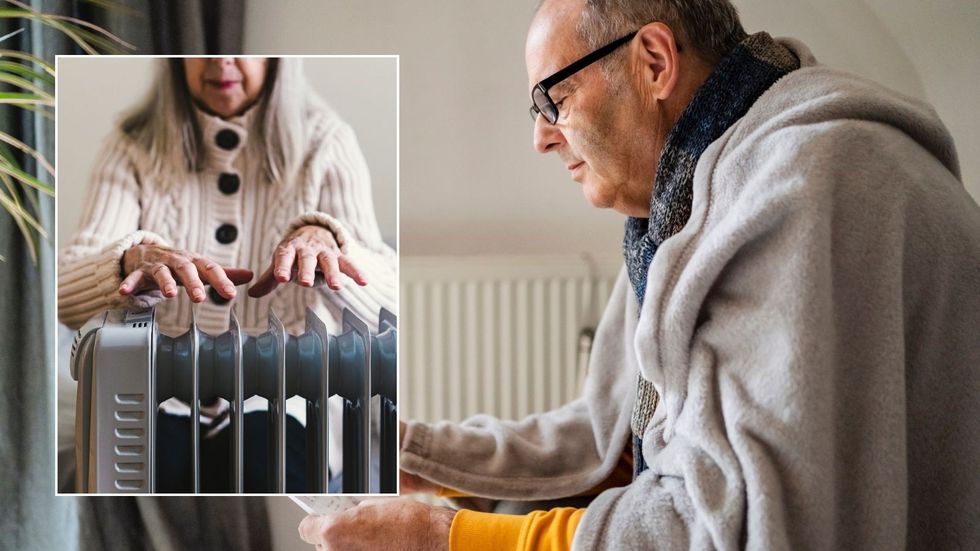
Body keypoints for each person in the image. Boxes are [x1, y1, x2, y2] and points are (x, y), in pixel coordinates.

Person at [299, 0, 980, 549]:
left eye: (552, 98)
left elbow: (744, 530)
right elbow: (610, 440)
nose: (540, 136)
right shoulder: (685, 199)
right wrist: (411, 452)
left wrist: (451, 537)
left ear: (653, 61)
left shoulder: (804, 188)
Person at [58, 57, 397, 493]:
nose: (222, 60)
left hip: (286, 398)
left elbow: (387, 302)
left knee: (268, 463)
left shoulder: (327, 144)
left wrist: (330, 241)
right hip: (153, 392)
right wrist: (126, 262)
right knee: (149, 474)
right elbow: (64, 294)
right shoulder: (131, 146)